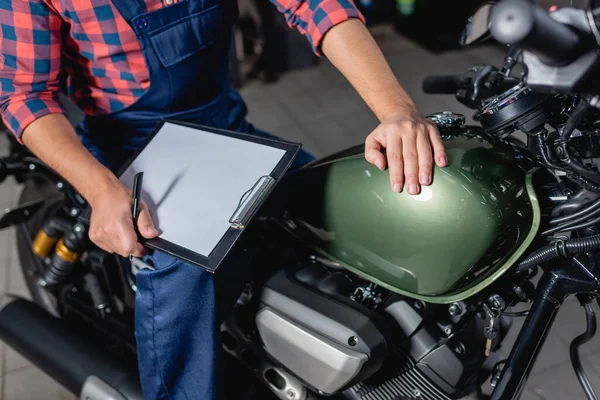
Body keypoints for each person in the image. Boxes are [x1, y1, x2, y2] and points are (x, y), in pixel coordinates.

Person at [0, 0, 448, 398]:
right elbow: (24, 94)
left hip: (225, 130)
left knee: (335, 202)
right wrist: (100, 190)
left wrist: (396, 110)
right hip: (132, 155)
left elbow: (317, 5)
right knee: (186, 272)